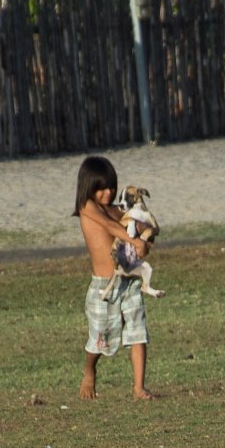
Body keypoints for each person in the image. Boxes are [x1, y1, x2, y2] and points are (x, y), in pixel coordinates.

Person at [73, 155, 155, 400]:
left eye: (111, 187)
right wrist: (132, 239)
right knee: (101, 337)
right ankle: (89, 370)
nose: (107, 192)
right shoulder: (87, 208)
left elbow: (137, 225)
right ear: (88, 187)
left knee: (137, 330)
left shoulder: (119, 210)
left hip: (128, 280)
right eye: (101, 188)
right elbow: (110, 227)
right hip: (103, 286)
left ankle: (139, 387)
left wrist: (144, 239)